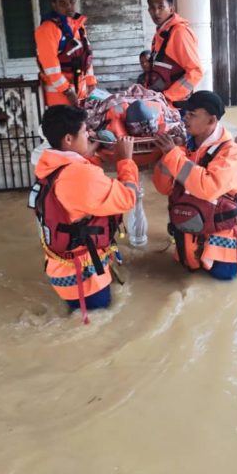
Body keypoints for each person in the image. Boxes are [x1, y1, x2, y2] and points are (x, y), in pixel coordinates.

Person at [30, 105, 138, 323]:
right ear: (68, 139)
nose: (89, 134)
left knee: (76, 317)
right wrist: (126, 160)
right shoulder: (79, 175)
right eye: (84, 131)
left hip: (61, 269)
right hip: (86, 279)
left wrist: (90, 153)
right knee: (100, 324)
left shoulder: (48, 164)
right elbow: (128, 198)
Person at [152, 91, 237, 280]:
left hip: (218, 249)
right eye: (185, 113)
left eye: (192, 115)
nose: (185, 118)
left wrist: (173, 155)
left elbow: (207, 187)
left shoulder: (232, 153)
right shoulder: (183, 149)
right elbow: (163, 188)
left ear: (211, 120)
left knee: (222, 285)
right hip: (185, 242)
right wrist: (166, 156)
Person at [34, 0, 97, 107]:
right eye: (62, 3)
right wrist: (67, 91)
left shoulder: (78, 26)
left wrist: (90, 81)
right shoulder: (47, 29)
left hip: (81, 95)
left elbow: (86, 55)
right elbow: (50, 66)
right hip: (59, 98)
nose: (68, 6)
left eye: (72, 2)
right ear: (54, 5)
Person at [145, 0, 202, 106]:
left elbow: (195, 72)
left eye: (161, 7)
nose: (156, 12)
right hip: (161, 102)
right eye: (152, 8)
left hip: (175, 106)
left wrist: (167, 97)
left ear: (171, 9)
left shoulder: (179, 33)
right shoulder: (161, 33)